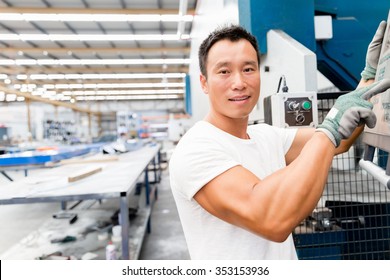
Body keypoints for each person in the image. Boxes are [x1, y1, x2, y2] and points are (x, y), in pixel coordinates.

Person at [169, 22, 389, 260]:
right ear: (204, 82)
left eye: (248, 69)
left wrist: (368, 78)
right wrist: (330, 128)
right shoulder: (196, 149)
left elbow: (339, 142)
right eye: (224, 71)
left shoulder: (267, 135)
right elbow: (270, 218)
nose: (239, 83)